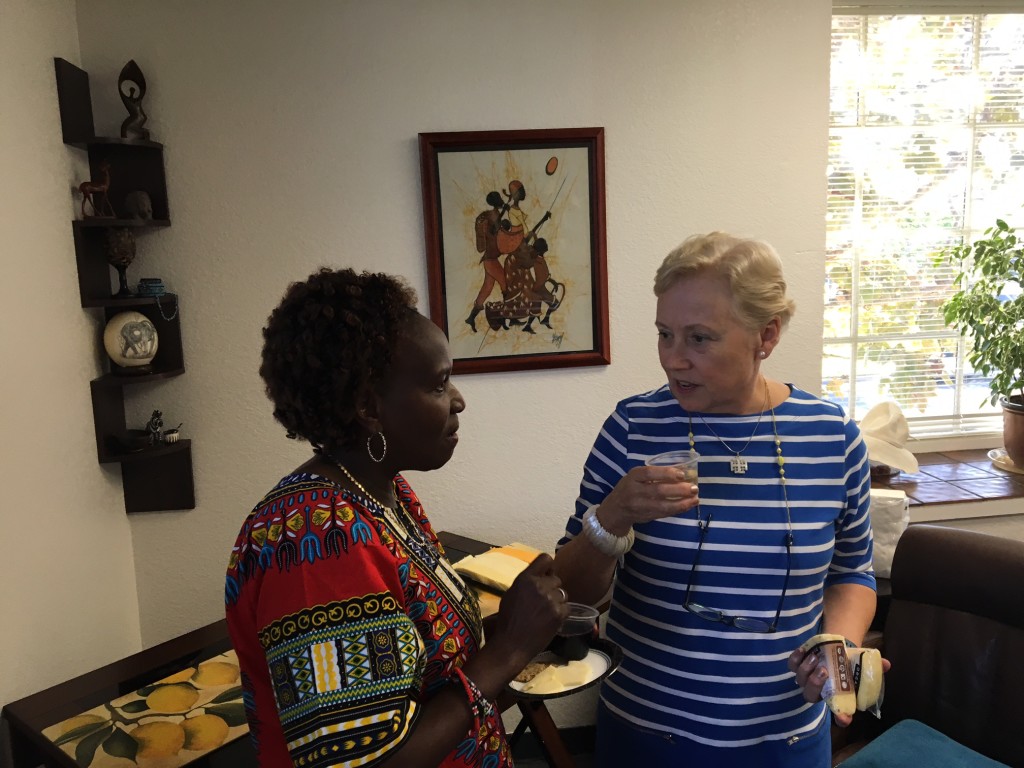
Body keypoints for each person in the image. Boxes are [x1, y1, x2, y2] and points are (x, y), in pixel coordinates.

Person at [554, 232, 879, 767]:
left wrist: (836, 652)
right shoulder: (633, 428)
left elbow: (852, 573)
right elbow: (571, 594)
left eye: (699, 339)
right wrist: (610, 519)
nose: (674, 360)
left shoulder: (832, 436)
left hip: (788, 738)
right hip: (648, 736)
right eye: (664, 334)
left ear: (766, 335)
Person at [225, 267, 568, 768]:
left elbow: (431, 669)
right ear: (368, 405)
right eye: (438, 383)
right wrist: (511, 648)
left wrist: (524, 626)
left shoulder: (385, 492)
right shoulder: (318, 542)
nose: (458, 400)